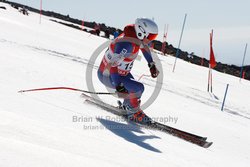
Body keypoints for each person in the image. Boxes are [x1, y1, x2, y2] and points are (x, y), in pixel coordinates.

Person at [97, 18, 159, 123]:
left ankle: (127, 107)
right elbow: (112, 66)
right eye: (151, 36)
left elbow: (144, 47)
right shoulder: (126, 45)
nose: (151, 40)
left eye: (153, 37)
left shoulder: (135, 35)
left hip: (120, 73)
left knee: (136, 90)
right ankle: (133, 113)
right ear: (141, 32)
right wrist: (118, 85)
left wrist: (151, 64)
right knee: (137, 88)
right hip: (108, 75)